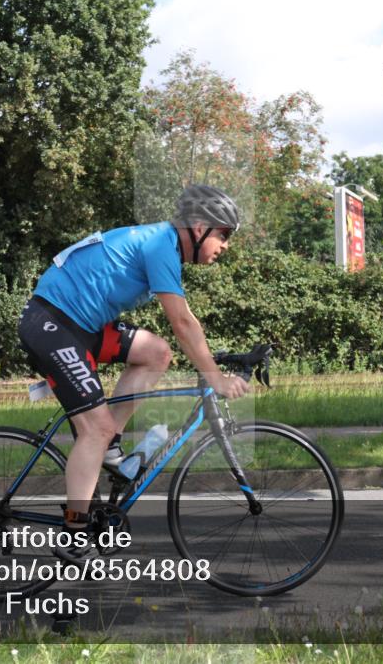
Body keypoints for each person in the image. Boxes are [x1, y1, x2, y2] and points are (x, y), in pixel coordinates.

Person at [17, 184, 251, 564]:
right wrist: (215, 376)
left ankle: (109, 447)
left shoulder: (163, 244)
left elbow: (178, 333)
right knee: (95, 427)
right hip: (53, 323)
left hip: (80, 325)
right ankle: (75, 533)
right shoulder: (161, 245)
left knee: (156, 353)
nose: (225, 245)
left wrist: (211, 365)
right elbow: (182, 321)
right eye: (222, 235)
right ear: (197, 226)